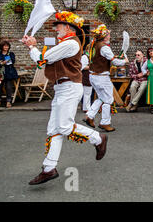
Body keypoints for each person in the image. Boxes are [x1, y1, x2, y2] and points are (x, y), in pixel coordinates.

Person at [21, 11, 107, 185]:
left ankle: (98, 138)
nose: (55, 30)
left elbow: (42, 58)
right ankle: (49, 168)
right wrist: (32, 47)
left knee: (64, 126)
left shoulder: (70, 44)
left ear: (68, 27)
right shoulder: (66, 43)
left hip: (69, 87)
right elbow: (45, 59)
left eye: (58, 26)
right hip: (62, 88)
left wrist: (32, 46)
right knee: (54, 129)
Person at [83, 24, 128, 132]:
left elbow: (103, 58)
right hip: (101, 77)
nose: (110, 36)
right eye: (108, 35)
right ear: (104, 36)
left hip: (93, 75)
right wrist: (124, 61)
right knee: (108, 99)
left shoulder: (94, 45)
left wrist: (115, 57)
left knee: (102, 97)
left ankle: (89, 115)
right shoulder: (104, 47)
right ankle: (105, 123)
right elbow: (114, 62)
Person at [0, 40, 19, 108]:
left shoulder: (11, 54)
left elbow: (12, 61)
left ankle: (8, 101)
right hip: (0, 73)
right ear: (2, 46)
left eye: (7, 46)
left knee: (8, 87)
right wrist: (2, 62)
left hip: (9, 72)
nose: (6, 47)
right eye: (4, 46)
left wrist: (2, 62)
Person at [80, 44, 93, 113]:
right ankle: (86, 108)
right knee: (86, 93)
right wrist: (92, 66)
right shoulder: (85, 57)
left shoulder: (90, 57)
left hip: (90, 76)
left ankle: (87, 107)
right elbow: (82, 67)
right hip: (86, 76)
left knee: (88, 93)